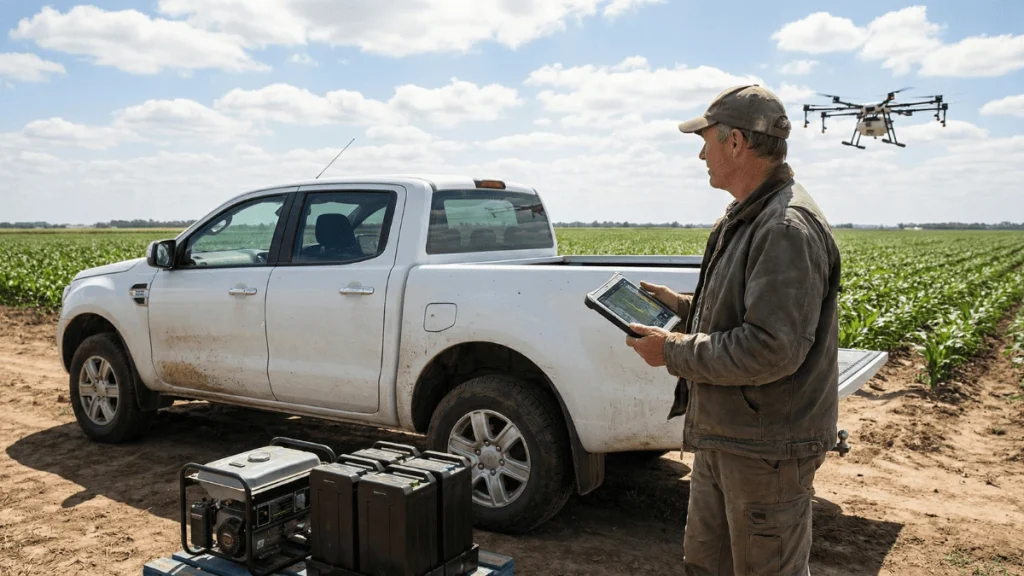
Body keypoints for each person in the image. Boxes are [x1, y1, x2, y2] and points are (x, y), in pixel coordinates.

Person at [625, 84, 842, 575]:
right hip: (731, 435)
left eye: (706, 140)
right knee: (707, 564)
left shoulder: (784, 227)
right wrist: (682, 309)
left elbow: (772, 349)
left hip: (765, 449)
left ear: (737, 143)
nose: (701, 153)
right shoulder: (748, 215)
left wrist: (673, 352)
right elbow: (747, 317)